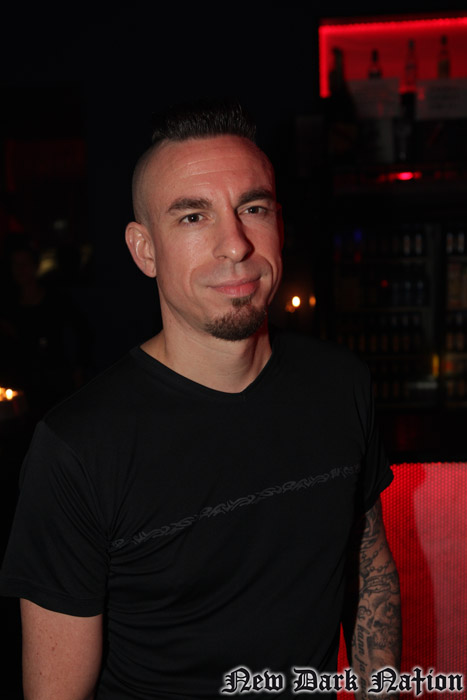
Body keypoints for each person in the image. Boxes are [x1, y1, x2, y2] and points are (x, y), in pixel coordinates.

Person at [0, 100, 401, 699]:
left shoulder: (341, 384)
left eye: (253, 209)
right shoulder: (78, 448)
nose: (235, 244)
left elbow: (370, 571)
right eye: (193, 216)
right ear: (144, 250)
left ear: (279, 224)